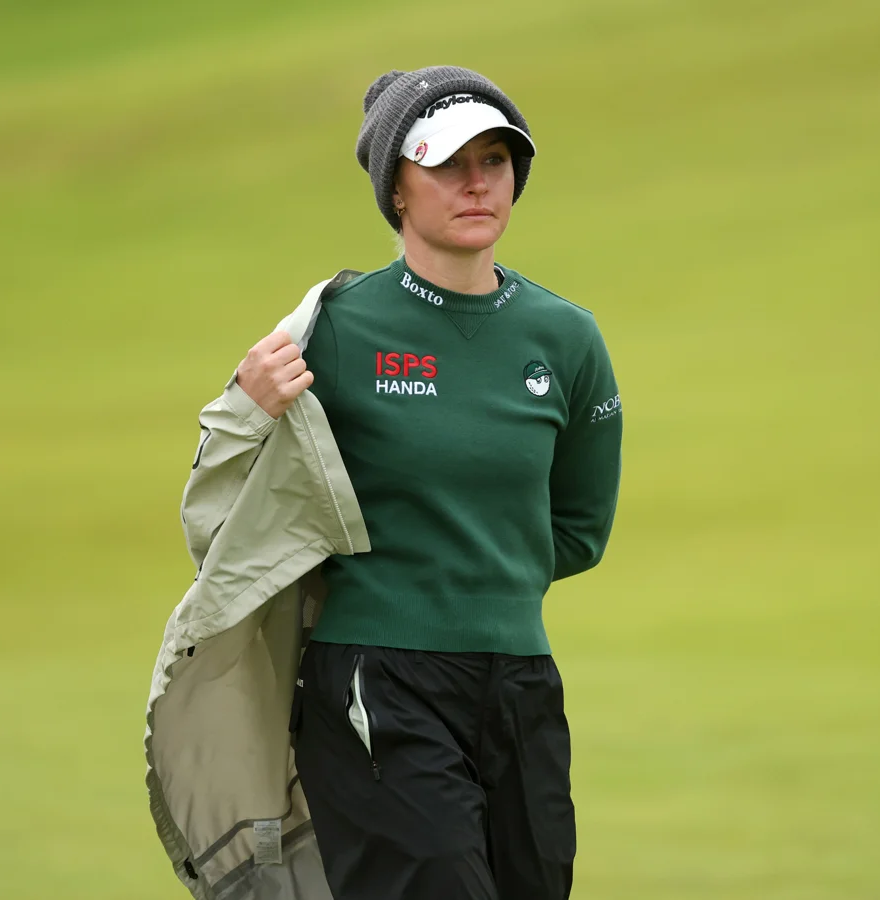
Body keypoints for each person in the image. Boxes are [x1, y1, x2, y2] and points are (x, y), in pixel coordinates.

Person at [232, 65, 622, 900]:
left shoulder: (566, 338)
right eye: (447, 163)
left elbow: (579, 528)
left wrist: (478, 579)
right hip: (375, 681)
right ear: (396, 190)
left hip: (519, 681)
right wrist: (248, 409)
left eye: (495, 160)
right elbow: (238, 513)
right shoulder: (334, 331)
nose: (477, 183)